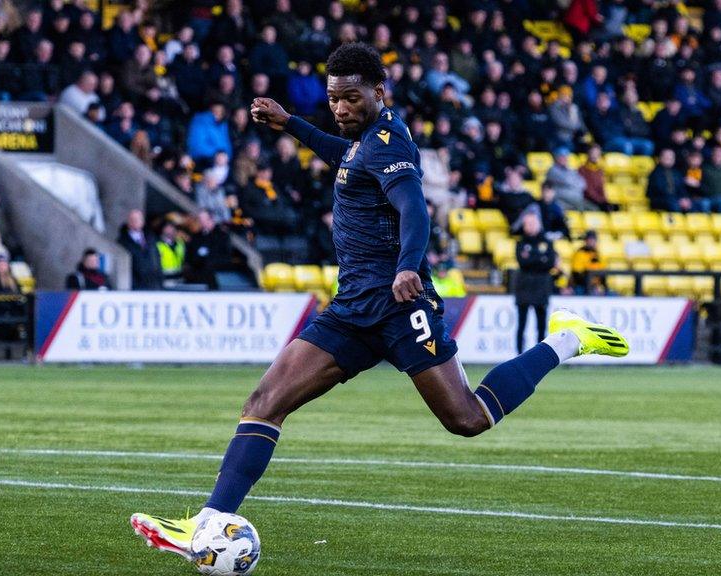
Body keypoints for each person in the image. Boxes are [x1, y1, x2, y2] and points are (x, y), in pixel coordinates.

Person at [130, 43, 629, 562]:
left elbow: (414, 207)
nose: (341, 108)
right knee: (265, 403)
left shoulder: (387, 142)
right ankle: (207, 524)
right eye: (334, 99)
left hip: (399, 305)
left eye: (351, 97)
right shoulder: (361, 142)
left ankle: (567, 338)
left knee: (467, 418)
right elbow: (341, 157)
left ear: (378, 92)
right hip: (352, 309)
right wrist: (291, 123)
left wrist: (409, 265)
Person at [515, 212, 557, 354]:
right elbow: (522, 263)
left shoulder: (547, 242)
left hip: (541, 287)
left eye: (533, 223)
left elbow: (550, 262)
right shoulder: (520, 243)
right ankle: (519, 356)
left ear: (538, 224)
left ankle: (539, 356)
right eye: (528, 223)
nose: (531, 226)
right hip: (524, 288)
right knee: (521, 325)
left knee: (541, 326)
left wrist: (532, 258)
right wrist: (540, 259)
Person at [116, 209, 162, 290]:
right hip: (136, 287)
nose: (135, 222)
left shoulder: (151, 238)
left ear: (143, 221)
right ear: (128, 222)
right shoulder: (122, 242)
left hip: (154, 285)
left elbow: (157, 259)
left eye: (138, 219)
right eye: (133, 219)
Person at [570, 230, 606, 295]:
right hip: (582, 285)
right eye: (590, 239)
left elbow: (602, 271)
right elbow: (577, 273)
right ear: (586, 241)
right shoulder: (580, 253)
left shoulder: (598, 254)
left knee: (609, 293)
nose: (592, 242)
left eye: (593, 240)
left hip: (595, 285)